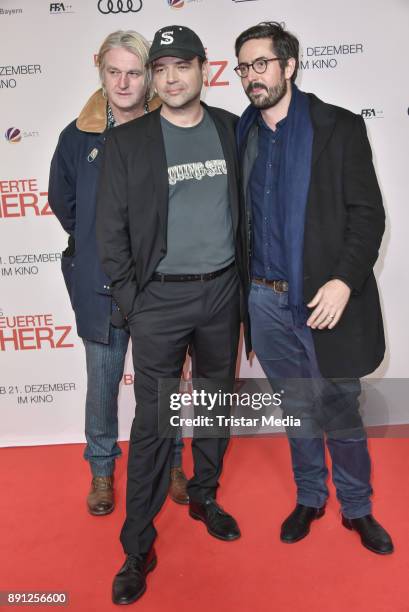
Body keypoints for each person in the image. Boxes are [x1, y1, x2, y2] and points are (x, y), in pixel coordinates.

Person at [97, 25, 246, 605]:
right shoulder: (128, 143)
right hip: (158, 301)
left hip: (222, 294)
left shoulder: (232, 130)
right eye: (160, 69)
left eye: (182, 65)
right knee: (154, 426)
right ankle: (137, 545)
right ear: (152, 77)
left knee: (212, 405)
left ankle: (205, 497)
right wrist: (135, 305)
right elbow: (109, 232)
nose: (171, 78)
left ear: (203, 69)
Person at [235, 21, 393, 554]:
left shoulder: (338, 127)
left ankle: (357, 506)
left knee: (339, 406)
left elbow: (367, 216)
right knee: (297, 407)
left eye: (261, 64)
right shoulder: (243, 133)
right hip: (264, 298)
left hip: (323, 300)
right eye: (243, 67)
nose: (252, 76)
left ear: (289, 65)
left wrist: (345, 281)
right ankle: (309, 497)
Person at [48, 30, 188, 517]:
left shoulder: (171, 129)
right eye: (114, 72)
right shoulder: (75, 136)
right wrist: (97, 245)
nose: (124, 82)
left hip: (159, 286)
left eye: (133, 72)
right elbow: (65, 205)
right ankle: (103, 472)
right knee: (102, 388)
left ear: (148, 75)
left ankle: (173, 463)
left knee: (164, 386)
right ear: (100, 70)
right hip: (100, 286)